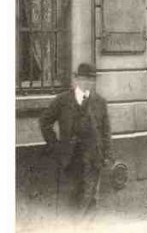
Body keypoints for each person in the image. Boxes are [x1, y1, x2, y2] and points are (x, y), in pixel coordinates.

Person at [39, 62, 112, 218]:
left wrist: (106, 155)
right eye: (84, 78)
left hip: (93, 158)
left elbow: (106, 131)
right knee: (71, 199)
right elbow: (44, 122)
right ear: (76, 80)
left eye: (91, 79)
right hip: (69, 158)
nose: (88, 83)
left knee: (91, 198)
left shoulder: (100, 102)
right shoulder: (62, 100)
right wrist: (55, 146)